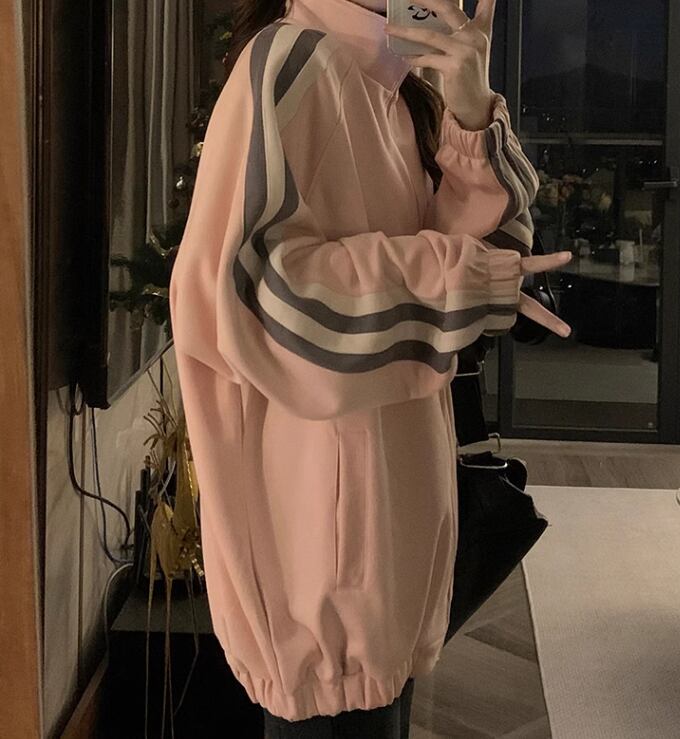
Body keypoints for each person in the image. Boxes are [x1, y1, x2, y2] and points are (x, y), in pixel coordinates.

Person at [168, 0, 572, 735]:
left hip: (385, 552)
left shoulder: (389, 83)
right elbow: (258, 296)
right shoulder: (291, 60)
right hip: (324, 589)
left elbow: (486, 259)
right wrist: (458, 280)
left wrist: (471, 116)